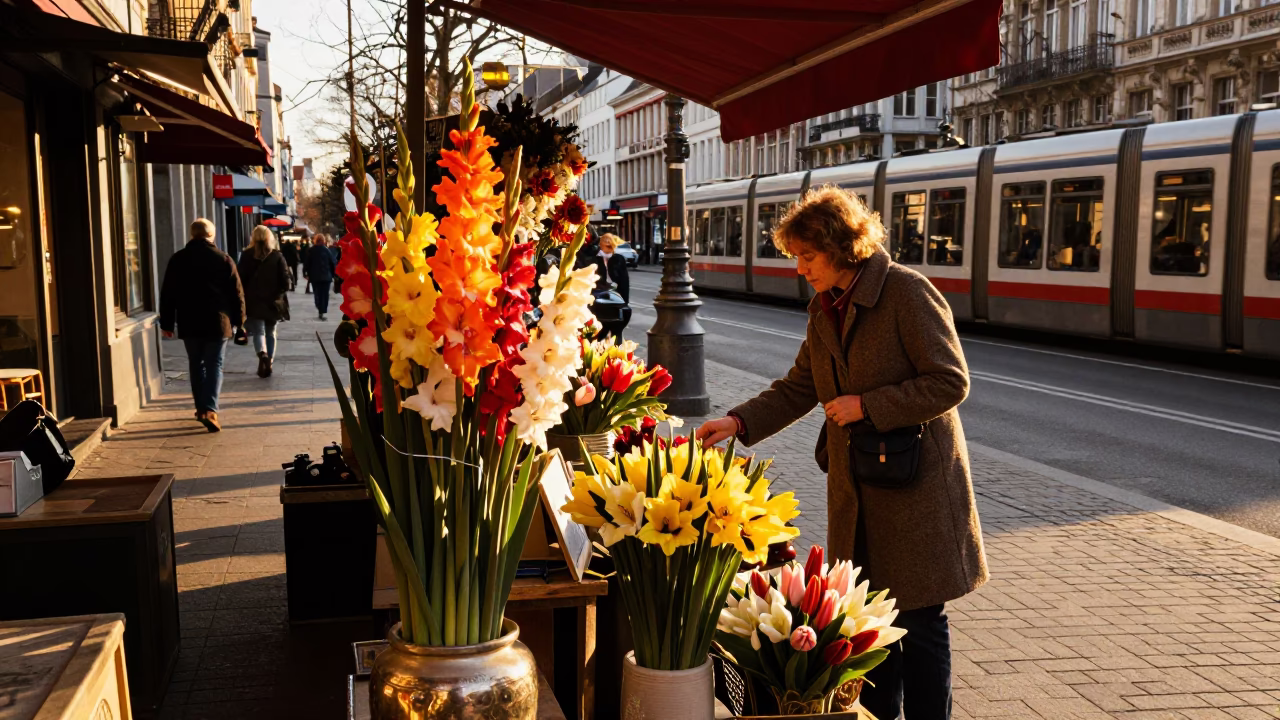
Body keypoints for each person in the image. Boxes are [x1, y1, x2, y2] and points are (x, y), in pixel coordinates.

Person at [695, 186, 987, 720]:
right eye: (796, 257)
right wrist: (738, 421)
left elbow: (950, 382)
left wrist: (867, 405)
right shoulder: (825, 306)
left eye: (808, 256)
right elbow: (801, 385)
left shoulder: (907, 293)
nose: (800, 268)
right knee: (868, 624)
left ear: (841, 246)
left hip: (915, 488)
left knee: (919, 622)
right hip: (859, 486)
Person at [159, 218, 246, 433]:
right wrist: (240, 321)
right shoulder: (223, 259)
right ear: (211, 235)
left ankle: (200, 409)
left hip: (189, 321)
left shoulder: (178, 259)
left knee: (196, 364)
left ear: (192, 234)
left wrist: (167, 322)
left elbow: (168, 293)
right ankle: (210, 409)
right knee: (214, 364)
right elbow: (237, 294)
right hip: (218, 322)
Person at [237, 225, 291, 378]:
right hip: (273, 302)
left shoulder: (247, 256)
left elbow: (240, 280)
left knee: (258, 332)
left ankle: (262, 355)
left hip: (253, 301)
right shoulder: (277, 256)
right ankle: (270, 362)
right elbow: (286, 281)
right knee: (271, 332)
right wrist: (279, 293)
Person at [304, 234, 337, 320]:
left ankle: (319, 307)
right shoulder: (327, 251)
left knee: (317, 293)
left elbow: (306, 263)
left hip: (315, 276)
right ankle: (322, 309)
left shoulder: (311, 251)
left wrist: (305, 273)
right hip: (326, 276)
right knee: (325, 294)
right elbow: (333, 263)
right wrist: (333, 275)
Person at [598, 233, 630, 303]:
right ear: (600, 245)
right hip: (598, 293)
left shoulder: (619, 259)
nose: (608, 242)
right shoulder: (595, 258)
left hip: (615, 292)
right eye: (605, 240)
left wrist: (625, 302)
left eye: (610, 241)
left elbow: (624, 282)